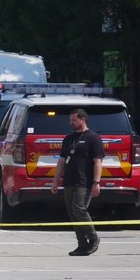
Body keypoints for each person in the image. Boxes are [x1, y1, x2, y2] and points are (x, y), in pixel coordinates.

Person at [50, 108, 104, 256]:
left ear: (83, 120)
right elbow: (61, 161)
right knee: (72, 213)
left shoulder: (93, 138)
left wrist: (96, 182)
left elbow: (98, 161)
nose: (71, 123)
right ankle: (82, 244)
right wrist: (55, 181)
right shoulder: (68, 139)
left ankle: (93, 238)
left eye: (74, 120)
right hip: (69, 180)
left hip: (84, 181)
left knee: (79, 209)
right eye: (70, 120)